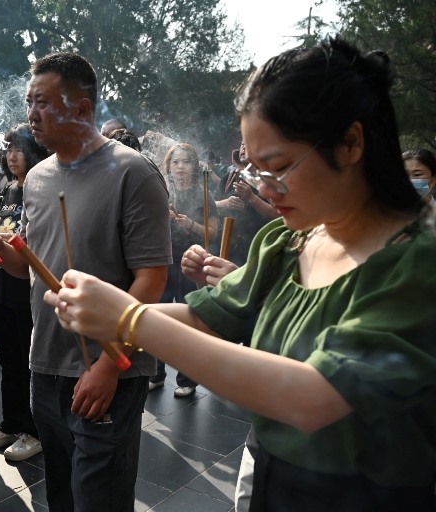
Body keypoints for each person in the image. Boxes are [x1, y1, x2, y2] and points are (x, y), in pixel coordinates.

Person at [44, 37, 436, 511]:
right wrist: (111, 309)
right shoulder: (289, 242)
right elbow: (207, 316)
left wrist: (129, 320)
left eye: (278, 167)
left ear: (350, 142)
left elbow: (313, 397)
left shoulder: (416, 264)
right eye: (255, 171)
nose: (265, 189)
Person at [0, 52, 171, 512]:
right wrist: (1, 254)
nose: (30, 115)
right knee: (59, 495)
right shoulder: (38, 177)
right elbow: (32, 267)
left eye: (42, 102)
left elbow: (151, 281)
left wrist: (108, 365)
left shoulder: (132, 173)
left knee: (99, 499)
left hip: (108, 372)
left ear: (81, 109)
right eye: (28, 102)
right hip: (46, 364)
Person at [0, 123, 48, 462]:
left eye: (20, 149)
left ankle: (34, 430)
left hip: (28, 288)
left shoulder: (42, 189)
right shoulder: (8, 188)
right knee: (9, 360)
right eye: (8, 149)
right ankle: (11, 421)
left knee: (28, 361)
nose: (12, 156)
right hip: (2, 284)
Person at [150, 143, 219, 398]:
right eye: (175, 162)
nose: (180, 167)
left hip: (191, 264)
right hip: (162, 260)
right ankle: (155, 373)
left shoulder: (203, 195)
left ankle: (187, 378)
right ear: (168, 166)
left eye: (186, 162)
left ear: (194, 166)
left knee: (188, 319)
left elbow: (214, 232)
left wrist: (190, 224)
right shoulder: (162, 191)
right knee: (158, 317)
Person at [215, 142, 277, 266]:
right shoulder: (229, 177)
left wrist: (251, 197)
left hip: (258, 247)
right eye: (242, 143)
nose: (243, 146)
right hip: (229, 245)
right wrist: (225, 203)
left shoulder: (268, 178)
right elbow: (212, 204)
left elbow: (276, 214)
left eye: (249, 143)